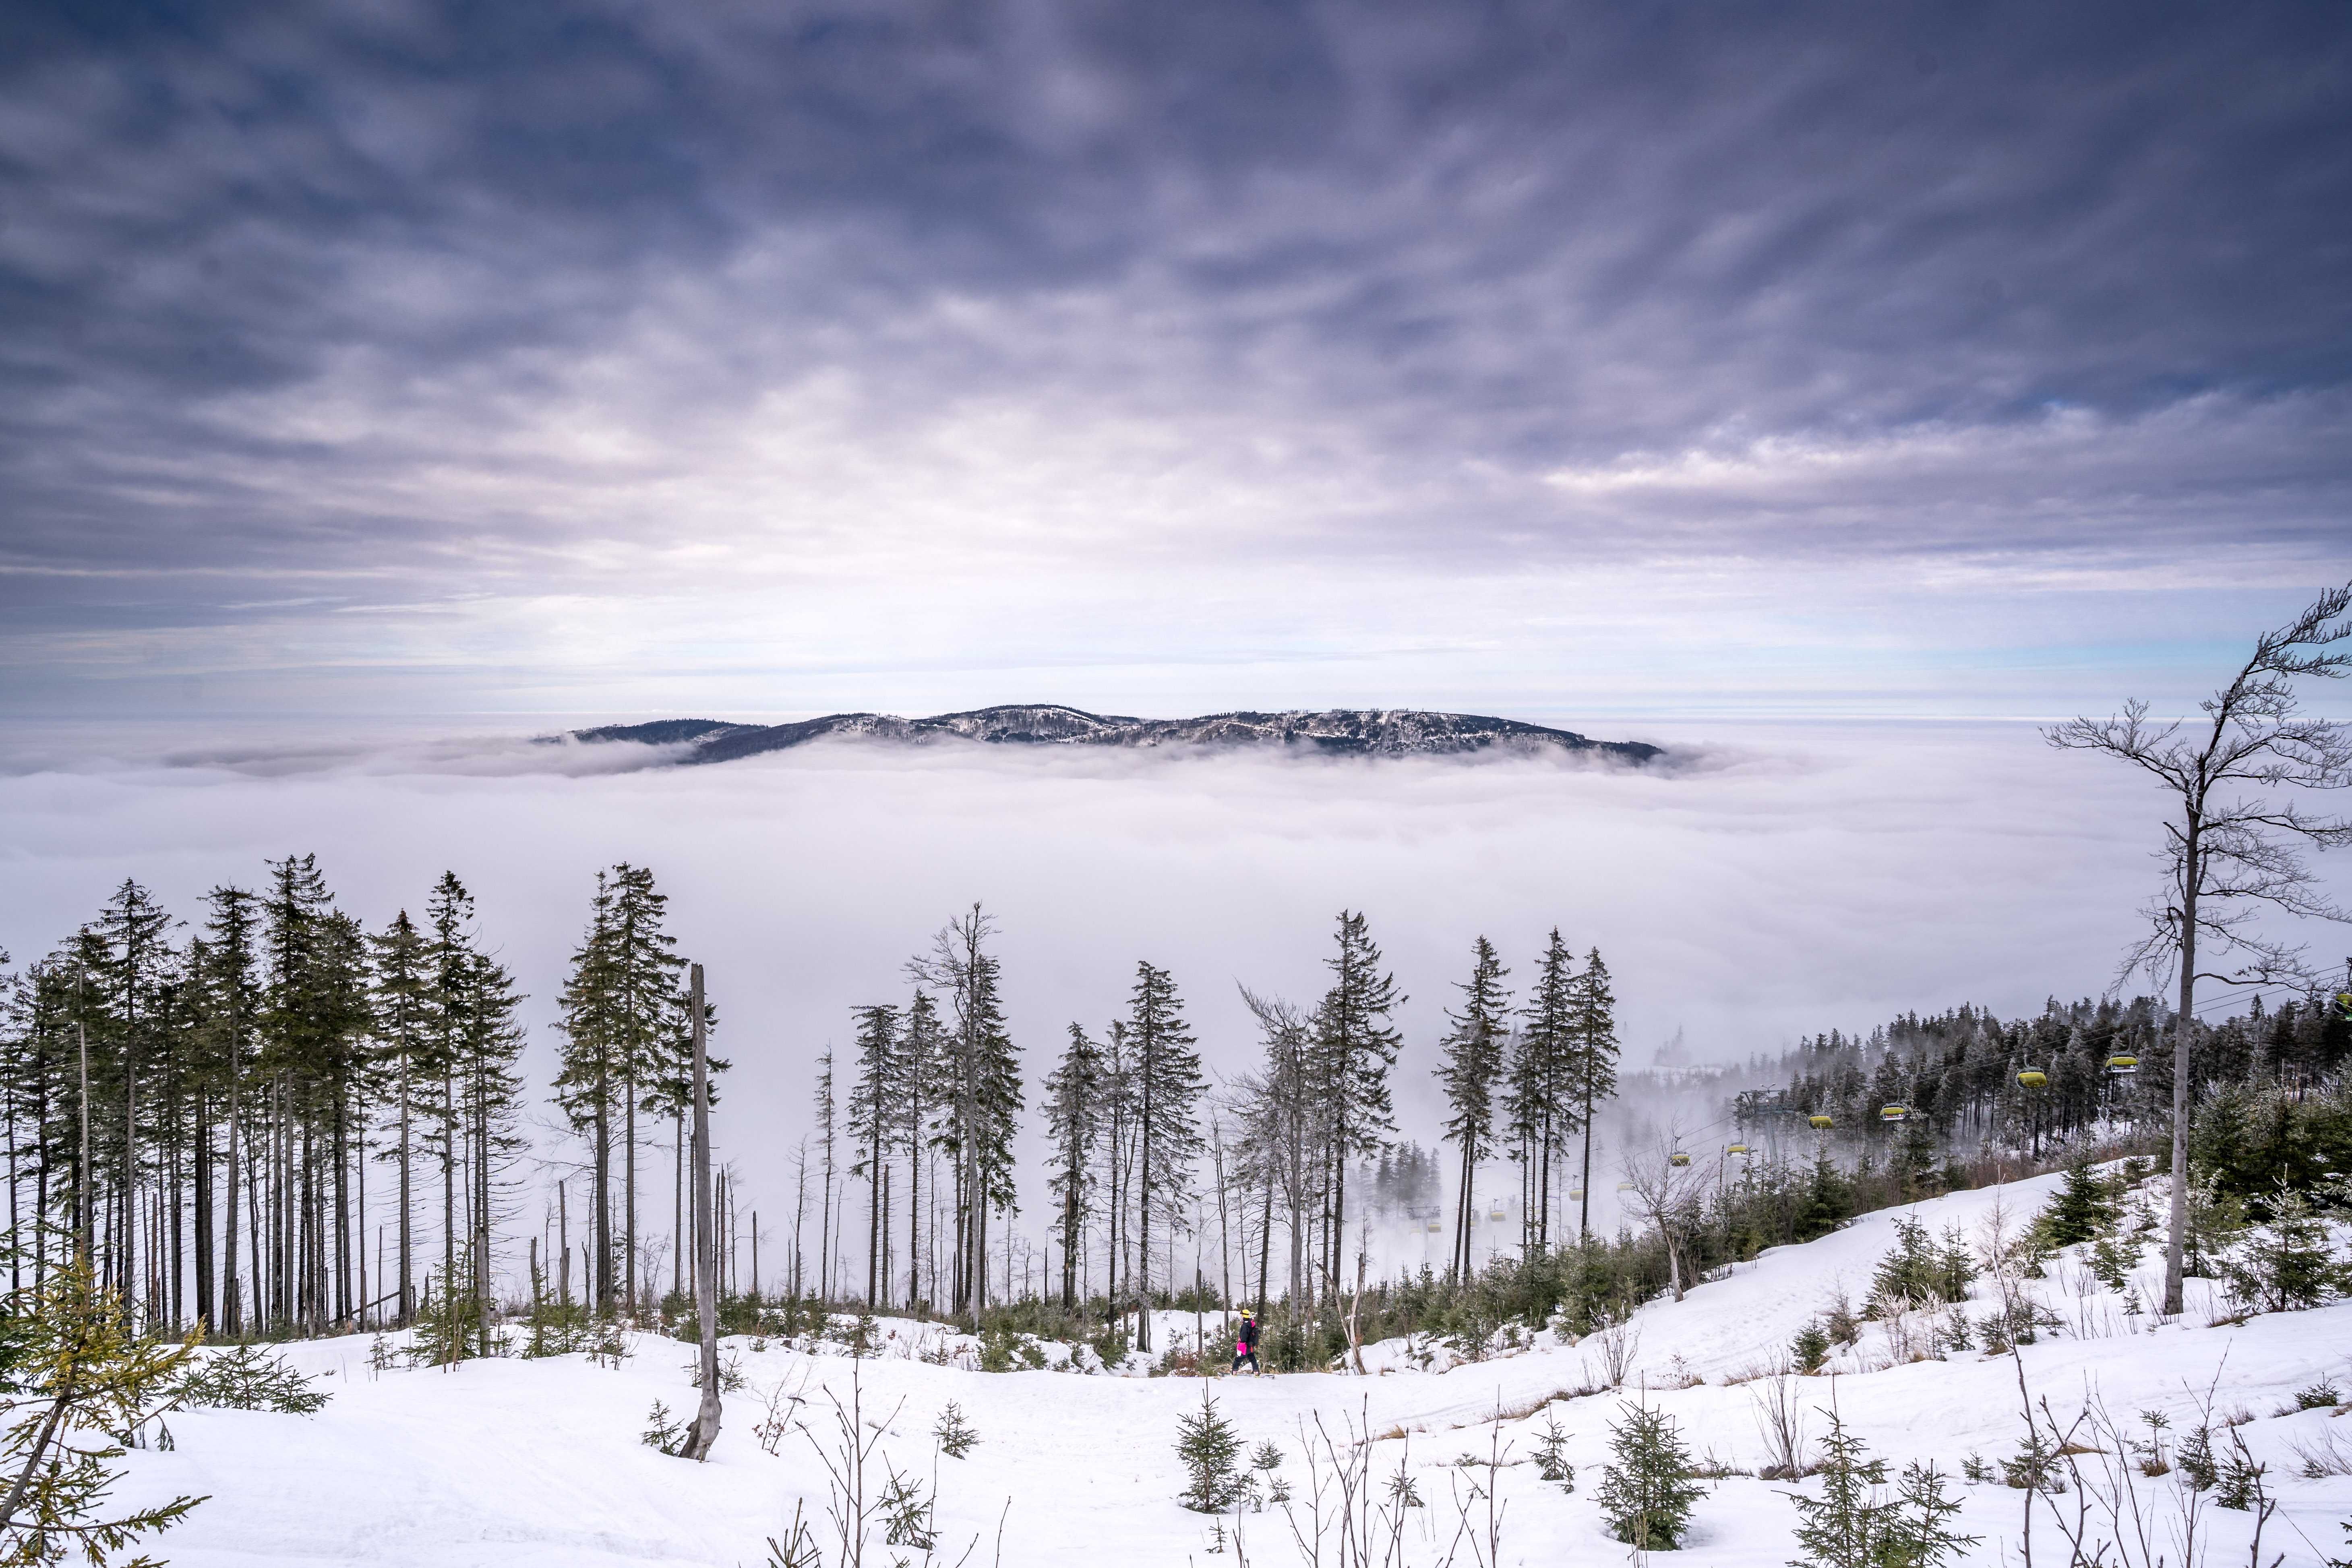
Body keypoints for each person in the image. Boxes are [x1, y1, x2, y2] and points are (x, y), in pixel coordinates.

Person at [1231, 1307, 1261, 1375]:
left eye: (1242, 1315)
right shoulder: (1252, 1324)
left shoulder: (1245, 1326)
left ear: (1244, 1316)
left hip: (1245, 1347)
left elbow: (1243, 1339)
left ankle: (1234, 1372)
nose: (1241, 1316)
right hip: (1251, 1347)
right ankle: (1256, 1372)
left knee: (1238, 1359)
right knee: (1253, 1359)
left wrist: (1240, 1349)